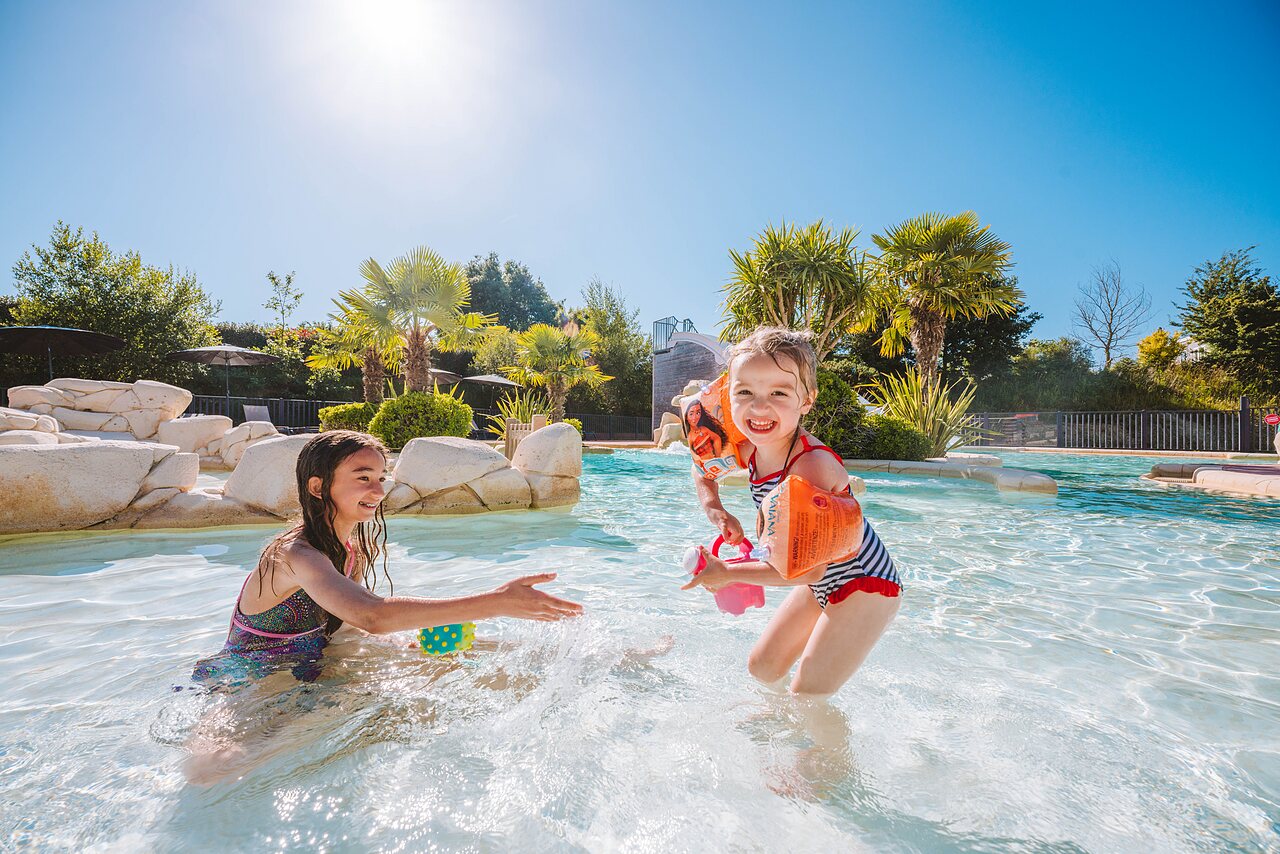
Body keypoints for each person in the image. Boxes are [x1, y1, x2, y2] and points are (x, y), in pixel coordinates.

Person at [192, 430, 582, 685]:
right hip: (246, 685)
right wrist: (497, 603)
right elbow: (372, 616)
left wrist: (403, 648)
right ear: (317, 486)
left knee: (470, 666)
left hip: (309, 669)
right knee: (216, 774)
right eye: (363, 477)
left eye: (381, 477)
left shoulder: (350, 553)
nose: (378, 490)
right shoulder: (295, 555)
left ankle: (599, 663)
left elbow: (347, 628)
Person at [682, 327, 900, 696]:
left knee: (809, 693)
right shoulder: (748, 450)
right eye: (745, 392)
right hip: (822, 579)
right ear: (728, 396)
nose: (759, 406)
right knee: (763, 668)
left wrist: (729, 574)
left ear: (806, 400)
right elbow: (701, 468)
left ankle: (816, 752)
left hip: (864, 584)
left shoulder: (809, 466)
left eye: (778, 393)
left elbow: (804, 570)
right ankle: (780, 733)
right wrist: (716, 510)